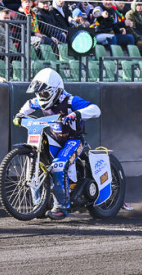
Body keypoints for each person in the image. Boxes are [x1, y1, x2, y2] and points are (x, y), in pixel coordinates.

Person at [13, 68, 101, 220]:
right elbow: (28, 105)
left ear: (56, 90)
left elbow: (96, 109)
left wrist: (77, 114)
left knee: (59, 166)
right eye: (39, 94)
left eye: (45, 94)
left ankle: (62, 206)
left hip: (74, 139)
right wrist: (20, 116)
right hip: (55, 138)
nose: (41, 97)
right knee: (40, 163)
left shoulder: (70, 100)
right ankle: (39, 204)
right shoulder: (38, 101)